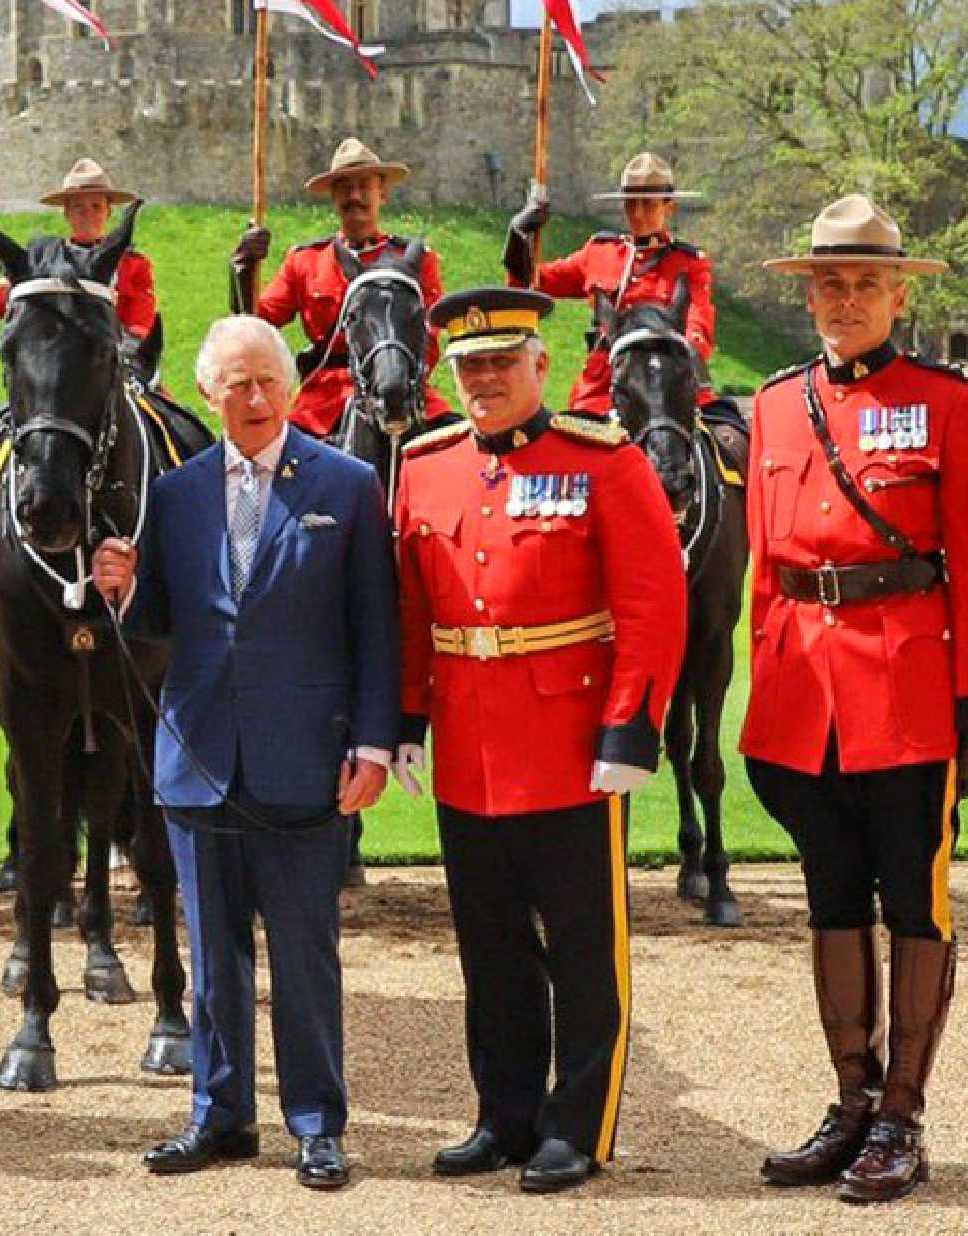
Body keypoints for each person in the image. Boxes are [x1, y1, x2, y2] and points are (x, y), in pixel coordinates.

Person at [740, 195, 968, 1203]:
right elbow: (766, 568)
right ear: (808, 293)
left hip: (907, 692)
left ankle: (903, 1112)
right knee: (829, 895)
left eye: (865, 283)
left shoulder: (954, 402)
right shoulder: (773, 404)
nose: (846, 299)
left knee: (915, 901)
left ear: (899, 293)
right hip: (800, 698)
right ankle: (848, 1100)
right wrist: (763, 694)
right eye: (830, 283)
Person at [91, 316, 399, 1190]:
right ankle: (218, 1117)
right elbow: (158, 623)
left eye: (268, 380)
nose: (256, 398)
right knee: (214, 962)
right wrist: (122, 590)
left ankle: (316, 1123)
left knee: (304, 953)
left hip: (305, 760)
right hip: (197, 759)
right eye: (237, 384)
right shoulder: (178, 494)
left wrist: (373, 745)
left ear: (292, 385)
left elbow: (377, 629)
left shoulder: (348, 484)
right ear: (208, 393)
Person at [391, 287, 687, 1193]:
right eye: (468, 367)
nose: (483, 380)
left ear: (539, 367)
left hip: (569, 742)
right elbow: (410, 607)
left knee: (583, 948)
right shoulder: (426, 463)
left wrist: (630, 726)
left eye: (500, 363)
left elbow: (652, 602)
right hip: (470, 749)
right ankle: (505, 1115)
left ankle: (580, 1125)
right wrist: (407, 720)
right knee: (489, 948)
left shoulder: (603, 461)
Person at [230, 137, 453, 440]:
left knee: (458, 445)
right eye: (345, 187)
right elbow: (257, 322)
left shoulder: (414, 261)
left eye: (364, 185)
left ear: (382, 192)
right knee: (275, 458)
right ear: (333, 197)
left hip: (400, 384)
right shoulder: (305, 261)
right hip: (326, 401)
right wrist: (244, 269)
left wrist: (397, 381)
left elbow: (428, 338)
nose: (355, 196)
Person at [502, 151, 742, 432]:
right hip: (604, 388)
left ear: (669, 207)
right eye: (630, 205)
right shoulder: (600, 252)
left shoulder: (689, 263)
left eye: (648, 205)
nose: (638, 214)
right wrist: (520, 238)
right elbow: (533, 285)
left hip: (666, 383)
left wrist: (674, 364)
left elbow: (698, 324)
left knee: (731, 439)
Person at [0, 158, 157, 338]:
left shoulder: (133, 265)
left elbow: (139, 323)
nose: (87, 213)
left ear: (108, 212)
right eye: (78, 206)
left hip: (111, 362)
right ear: (66, 213)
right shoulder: (43, 264)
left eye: (96, 206)